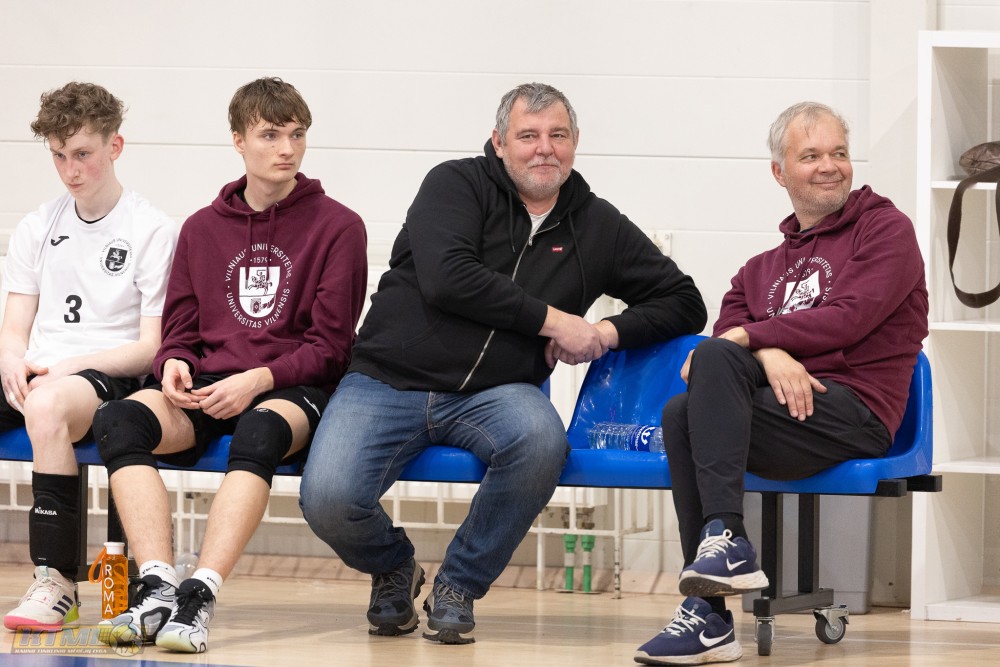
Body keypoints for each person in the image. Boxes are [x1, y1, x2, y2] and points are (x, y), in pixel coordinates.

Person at [300, 82, 707, 645]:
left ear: (575, 142)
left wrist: (603, 332)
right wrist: (555, 321)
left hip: (498, 393)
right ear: (498, 142)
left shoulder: (598, 225)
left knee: (542, 443)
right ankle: (393, 565)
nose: (544, 149)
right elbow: (449, 278)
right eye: (528, 136)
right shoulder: (454, 184)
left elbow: (685, 301)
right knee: (328, 499)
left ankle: (459, 584)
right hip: (387, 381)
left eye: (557, 135)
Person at [633, 101, 929, 666]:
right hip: (784, 416)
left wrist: (755, 338)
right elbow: (722, 347)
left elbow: (849, 319)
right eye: (811, 155)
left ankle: (719, 574)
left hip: (854, 413)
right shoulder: (757, 270)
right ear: (779, 171)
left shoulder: (886, 230)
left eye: (839, 152)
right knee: (681, 410)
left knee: (710, 374)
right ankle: (713, 600)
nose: (829, 166)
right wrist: (770, 352)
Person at [90, 77, 367, 654]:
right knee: (119, 419)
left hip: (292, 385)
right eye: (270, 135)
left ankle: (199, 595)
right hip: (213, 385)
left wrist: (259, 379)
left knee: (259, 431)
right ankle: (158, 586)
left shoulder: (339, 226)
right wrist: (173, 362)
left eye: (297, 134)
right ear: (238, 140)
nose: (286, 149)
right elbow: (180, 330)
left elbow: (332, 348)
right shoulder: (200, 228)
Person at [1, 83, 177, 633]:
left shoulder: (152, 228)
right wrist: (11, 358)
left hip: (109, 374)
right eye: (58, 155)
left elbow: (151, 347)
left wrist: (68, 368)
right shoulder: (38, 225)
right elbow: (15, 327)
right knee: (40, 395)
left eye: (82, 153)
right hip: (43, 370)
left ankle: (55, 582)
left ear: (114, 146)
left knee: (48, 405)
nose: (70, 170)